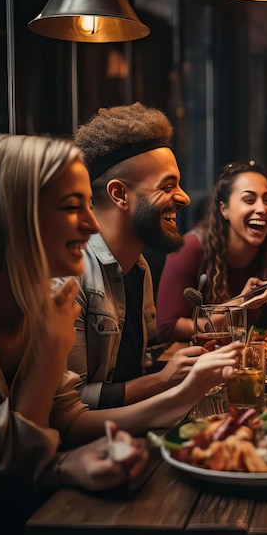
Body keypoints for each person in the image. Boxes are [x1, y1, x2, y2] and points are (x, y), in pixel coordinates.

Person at [0, 134, 149, 535]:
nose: (93, 223)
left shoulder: (41, 303)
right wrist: (48, 355)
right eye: (70, 207)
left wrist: (65, 466)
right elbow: (3, 498)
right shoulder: (52, 316)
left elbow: (62, 422)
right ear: (12, 216)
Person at [67, 102, 215, 411]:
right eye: (168, 185)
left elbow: (140, 366)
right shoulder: (71, 277)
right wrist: (164, 381)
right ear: (119, 194)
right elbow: (69, 404)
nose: (185, 197)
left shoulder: (138, 265)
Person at [157, 160, 267, 343]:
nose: (262, 209)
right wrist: (240, 303)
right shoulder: (190, 248)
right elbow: (167, 327)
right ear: (224, 209)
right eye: (249, 200)